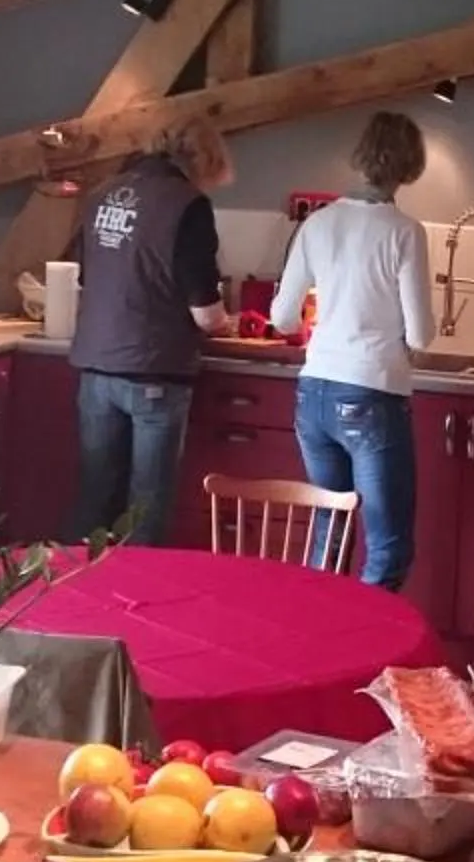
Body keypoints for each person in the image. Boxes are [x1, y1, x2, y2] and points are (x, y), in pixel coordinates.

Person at [273, 112, 437, 589]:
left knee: (331, 529)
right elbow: (422, 335)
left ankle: (321, 641)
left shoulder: (318, 224)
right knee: (387, 545)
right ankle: (368, 647)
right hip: (371, 396)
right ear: (409, 168)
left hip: (313, 396)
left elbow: (284, 317)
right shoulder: (404, 231)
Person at [65, 120, 233, 546]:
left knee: (95, 499)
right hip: (153, 371)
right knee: (146, 509)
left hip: (96, 368)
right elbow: (206, 313)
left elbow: (86, 274)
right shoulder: (187, 204)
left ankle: (82, 601)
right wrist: (225, 319)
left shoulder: (102, 194)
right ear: (205, 160)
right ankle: (133, 606)